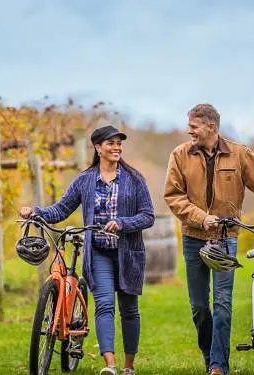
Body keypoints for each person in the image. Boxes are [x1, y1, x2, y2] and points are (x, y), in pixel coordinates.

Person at [163, 104, 254, 375]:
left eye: (193, 126)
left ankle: (219, 367)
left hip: (226, 238)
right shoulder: (180, 155)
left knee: (222, 304)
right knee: (199, 307)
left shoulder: (239, 155)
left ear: (211, 127)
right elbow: (173, 196)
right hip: (194, 238)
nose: (188, 131)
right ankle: (210, 357)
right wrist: (200, 217)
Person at [19, 124, 155, 375]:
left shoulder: (134, 180)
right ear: (98, 148)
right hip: (99, 252)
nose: (117, 147)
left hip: (128, 254)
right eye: (111, 143)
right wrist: (36, 211)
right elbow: (60, 210)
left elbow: (148, 216)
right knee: (104, 305)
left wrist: (123, 223)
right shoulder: (84, 180)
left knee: (129, 310)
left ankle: (128, 367)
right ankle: (111, 366)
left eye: (119, 143)